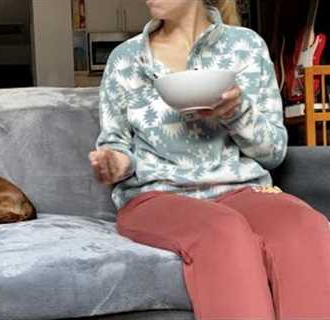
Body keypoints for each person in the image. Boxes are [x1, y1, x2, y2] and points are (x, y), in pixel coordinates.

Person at [88, 0, 330, 319]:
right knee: (224, 230)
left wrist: (235, 111)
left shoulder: (244, 47)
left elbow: (273, 152)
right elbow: (116, 144)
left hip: (240, 192)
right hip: (155, 199)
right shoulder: (125, 59)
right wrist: (115, 163)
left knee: (305, 225)